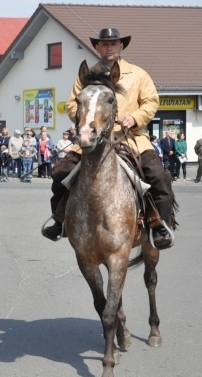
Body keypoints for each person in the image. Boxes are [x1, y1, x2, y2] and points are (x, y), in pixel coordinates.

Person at [42, 28, 176, 250]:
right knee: (60, 172)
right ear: (97, 47)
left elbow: (151, 101)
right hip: (92, 136)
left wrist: (135, 117)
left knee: (159, 176)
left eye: (114, 43)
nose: (109, 47)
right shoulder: (86, 76)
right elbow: (72, 104)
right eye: (104, 44)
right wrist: (86, 120)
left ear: (121, 46)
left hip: (130, 137)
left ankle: (159, 225)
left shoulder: (138, 74)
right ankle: (60, 220)